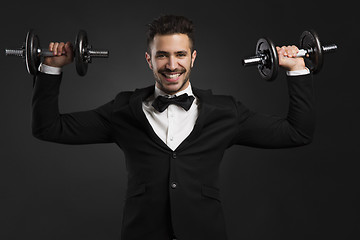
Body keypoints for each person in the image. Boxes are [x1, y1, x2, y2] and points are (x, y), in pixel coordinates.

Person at [32, 15, 315, 240]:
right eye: (162, 55)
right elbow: (49, 128)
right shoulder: (122, 110)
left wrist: (297, 69)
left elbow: (296, 133)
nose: (171, 65)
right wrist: (52, 68)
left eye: (180, 54)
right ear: (149, 60)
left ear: (193, 58)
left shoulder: (226, 111)